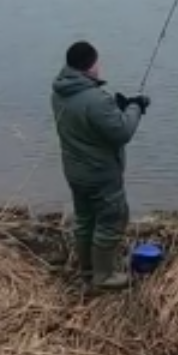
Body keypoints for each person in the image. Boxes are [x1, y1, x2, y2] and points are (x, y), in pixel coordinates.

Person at [50, 41, 150, 291]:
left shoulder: (59, 92)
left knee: (85, 219)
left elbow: (89, 123)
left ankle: (88, 269)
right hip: (100, 175)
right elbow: (122, 133)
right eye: (97, 62)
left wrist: (117, 109)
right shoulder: (96, 99)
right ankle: (103, 276)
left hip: (75, 172)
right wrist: (136, 107)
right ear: (90, 67)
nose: (99, 66)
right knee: (111, 220)